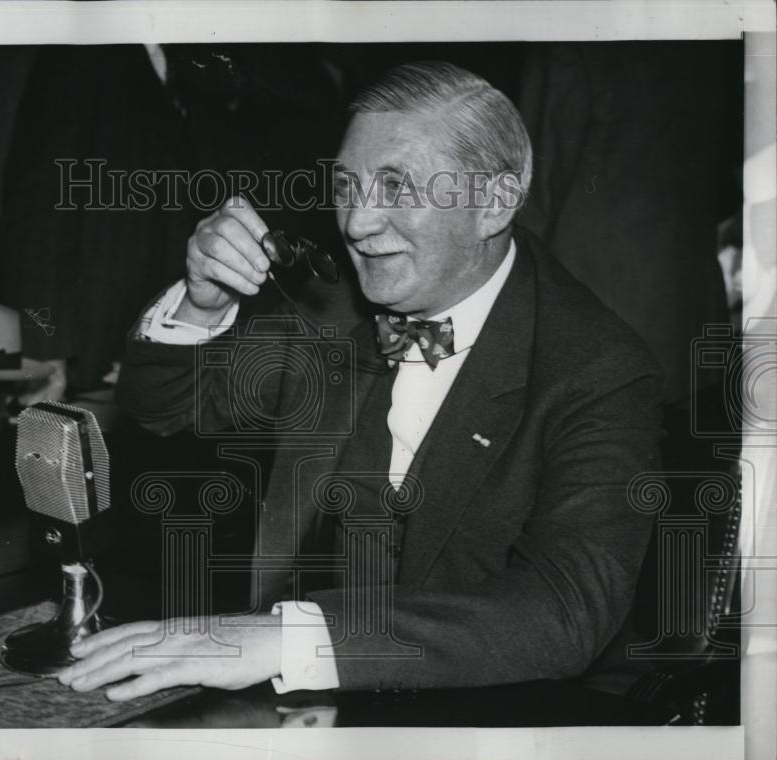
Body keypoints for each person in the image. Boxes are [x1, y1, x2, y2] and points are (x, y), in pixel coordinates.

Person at [56, 61, 665, 702]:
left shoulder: (598, 370)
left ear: (495, 203)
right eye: (348, 186)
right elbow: (161, 408)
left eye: (397, 187)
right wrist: (204, 302)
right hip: (306, 704)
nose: (356, 223)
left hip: (486, 714)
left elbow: (567, 610)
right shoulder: (331, 307)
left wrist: (289, 640)